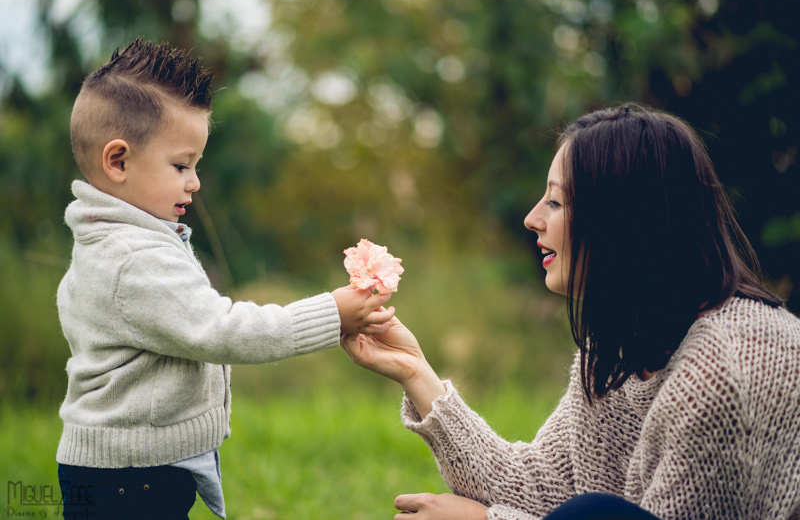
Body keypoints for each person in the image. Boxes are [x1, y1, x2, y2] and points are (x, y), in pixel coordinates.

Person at [342, 103, 800, 519]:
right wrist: (416, 372)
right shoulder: (620, 345)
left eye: (557, 201)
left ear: (623, 219)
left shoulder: (724, 371)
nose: (532, 218)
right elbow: (539, 489)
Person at [55, 37, 395, 520]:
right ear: (118, 161)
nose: (194, 182)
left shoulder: (114, 242)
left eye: (195, 165)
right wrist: (331, 313)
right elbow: (222, 330)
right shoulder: (131, 257)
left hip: (132, 467)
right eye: (180, 165)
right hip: (129, 480)